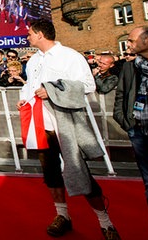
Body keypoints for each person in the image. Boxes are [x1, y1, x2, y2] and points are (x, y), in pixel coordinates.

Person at [16, 19, 121, 239]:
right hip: (40, 123)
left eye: (30, 34)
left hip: (65, 121)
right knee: (50, 172)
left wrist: (53, 90)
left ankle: (105, 222)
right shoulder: (34, 60)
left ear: (40, 35)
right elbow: (30, 84)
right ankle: (62, 214)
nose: (28, 37)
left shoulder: (71, 56)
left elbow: (88, 85)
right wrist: (24, 99)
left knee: (78, 170)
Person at [114, 26, 148, 238]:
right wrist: (126, 121)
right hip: (139, 132)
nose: (128, 43)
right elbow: (121, 95)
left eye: (131, 39)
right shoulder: (129, 67)